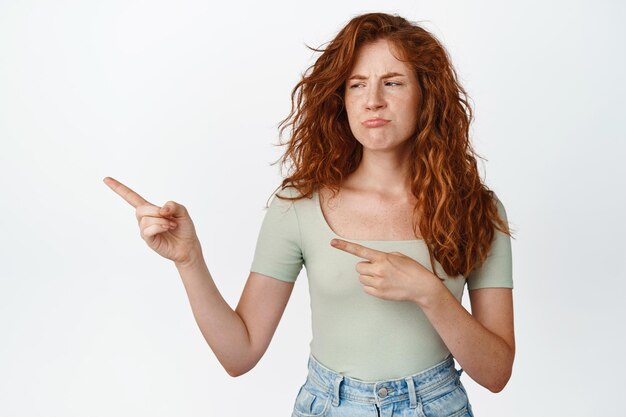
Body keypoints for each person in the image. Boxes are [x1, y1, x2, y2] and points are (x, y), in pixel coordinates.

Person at [104, 11, 515, 417]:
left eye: (392, 82)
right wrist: (188, 260)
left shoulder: (475, 208)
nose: (373, 100)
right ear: (341, 99)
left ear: (427, 95)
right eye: (357, 85)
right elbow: (240, 354)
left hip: (437, 406)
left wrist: (429, 293)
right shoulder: (298, 204)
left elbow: (496, 373)